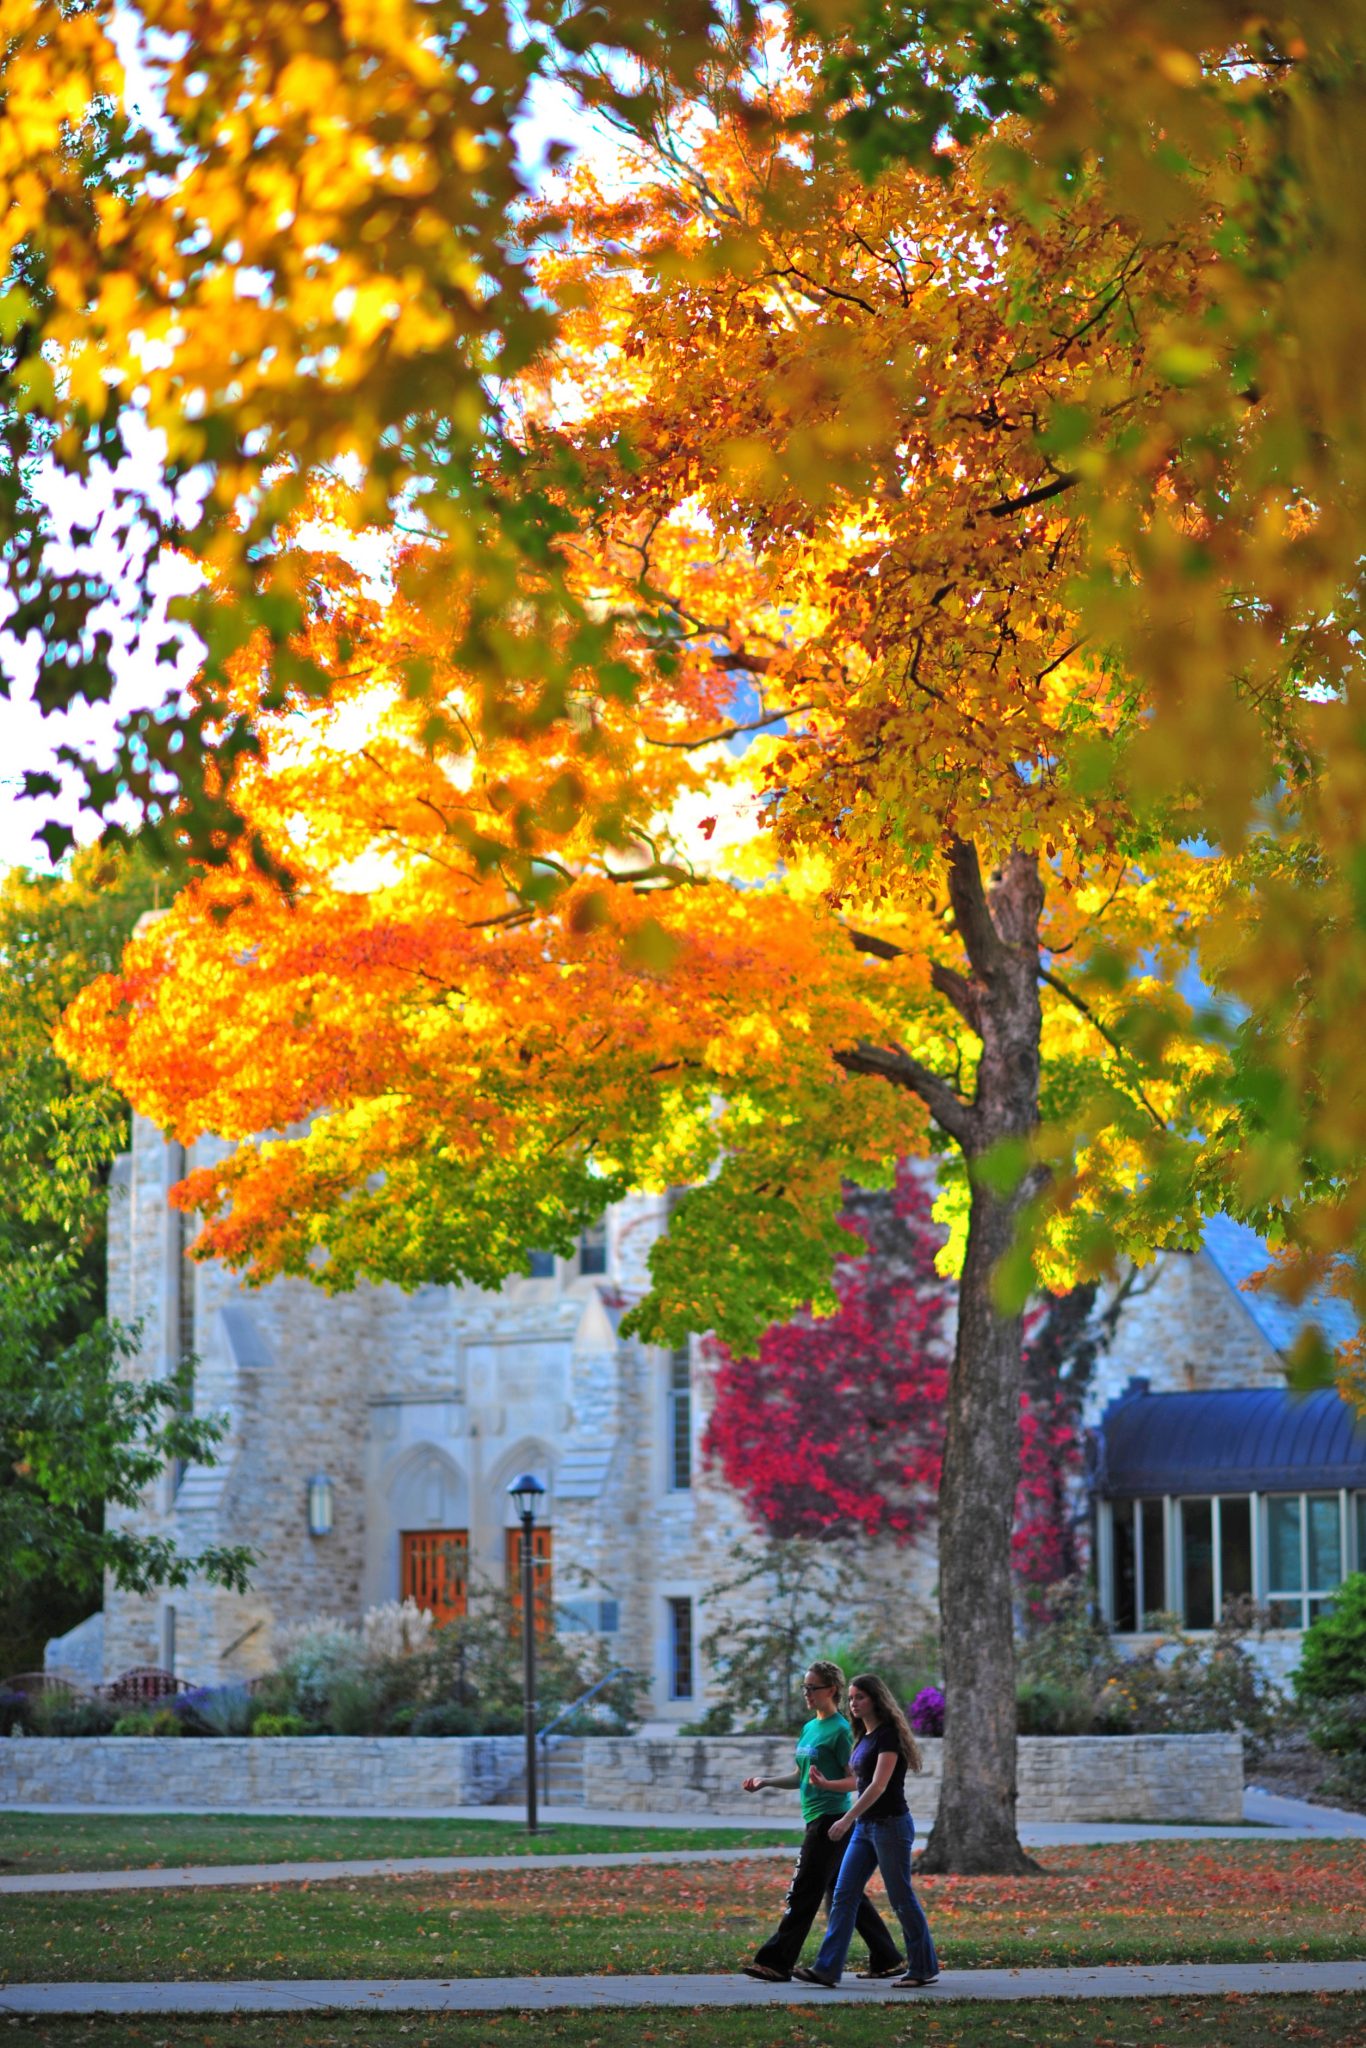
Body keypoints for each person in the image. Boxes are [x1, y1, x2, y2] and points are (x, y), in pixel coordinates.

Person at [738, 1661, 905, 1984]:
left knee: (804, 1890)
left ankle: (776, 1961)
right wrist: (766, 1781)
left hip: (831, 1821)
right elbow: (802, 1776)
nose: (807, 1694)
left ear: (831, 1690)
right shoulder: (810, 1728)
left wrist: (827, 1787)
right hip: (816, 1817)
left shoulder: (841, 1730)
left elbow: (856, 1780)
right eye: (804, 1688)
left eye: (812, 1688)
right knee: (843, 1891)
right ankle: (887, 1958)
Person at [793, 1670, 939, 1990]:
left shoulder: (887, 1736)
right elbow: (858, 1781)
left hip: (891, 1827)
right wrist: (828, 1785)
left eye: (860, 1697)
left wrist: (846, 1819)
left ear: (876, 1699)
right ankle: (827, 1969)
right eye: (851, 1698)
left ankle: (923, 1966)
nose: (853, 1703)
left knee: (901, 1898)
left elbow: (877, 1786)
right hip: (866, 1827)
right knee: (844, 1894)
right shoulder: (864, 1737)